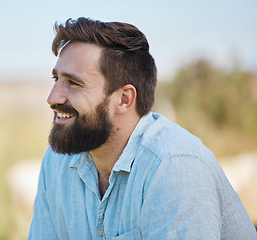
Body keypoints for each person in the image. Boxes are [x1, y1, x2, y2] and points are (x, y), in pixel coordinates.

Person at [28, 17, 256, 239]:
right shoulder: (58, 163)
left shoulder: (174, 167)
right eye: (55, 78)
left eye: (73, 83)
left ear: (124, 99)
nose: (52, 97)